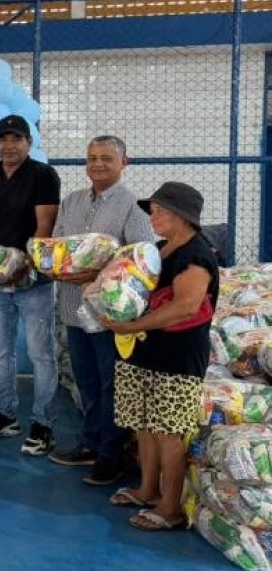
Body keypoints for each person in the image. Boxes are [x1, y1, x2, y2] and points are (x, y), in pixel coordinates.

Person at [103, 182, 218, 531]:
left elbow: (186, 307)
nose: (153, 218)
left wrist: (132, 325)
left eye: (162, 211)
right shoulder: (158, 250)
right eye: (152, 211)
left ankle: (170, 507)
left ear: (185, 216)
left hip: (177, 358)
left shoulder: (197, 255)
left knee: (168, 431)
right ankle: (147, 489)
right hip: (143, 351)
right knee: (144, 425)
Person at [47, 136, 154, 485]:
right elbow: (58, 246)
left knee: (112, 385)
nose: (98, 164)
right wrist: (55, 265)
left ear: (125, 162)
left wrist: (93, 274)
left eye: (107, 158)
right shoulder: (72, 201)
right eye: (92, 157)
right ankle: (90, 442)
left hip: (109, 317)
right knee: (87, 382)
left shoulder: (133, 207)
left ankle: (113, 453)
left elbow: (141, 260)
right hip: (74, 308)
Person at [0, 115, 61, 455]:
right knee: (0, 353)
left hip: (33, 280)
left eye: (16, 139)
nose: (8, 146)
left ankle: (43, 423)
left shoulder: (43, 175)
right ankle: (5, 415)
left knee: (40, 354)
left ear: (28, 143)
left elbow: (44, 225)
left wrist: (25, 267)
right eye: (3, 139)